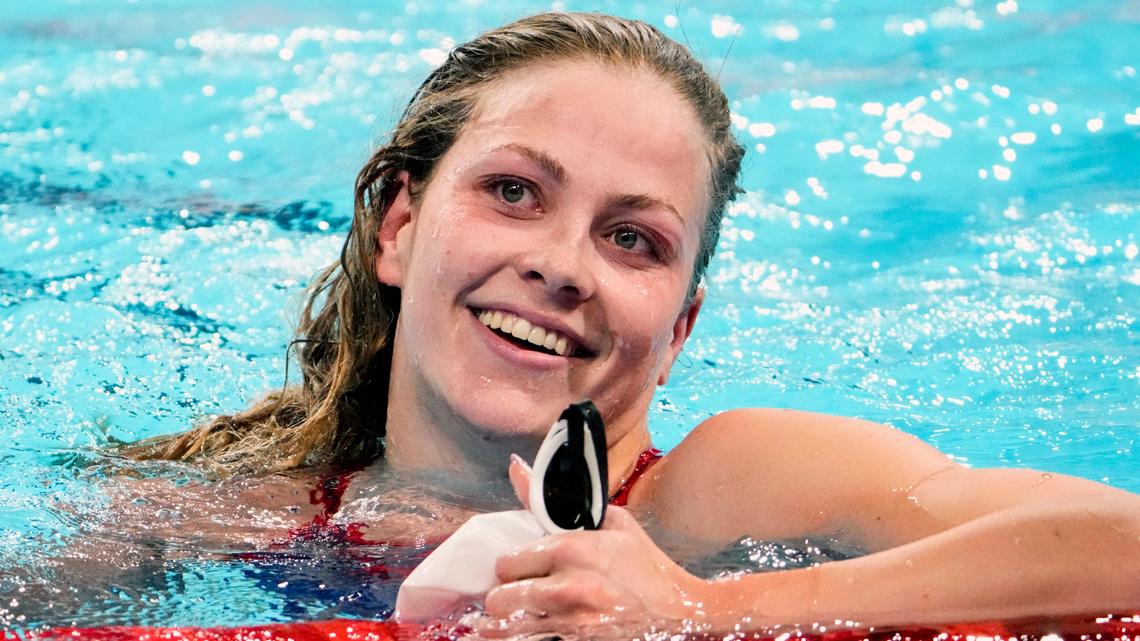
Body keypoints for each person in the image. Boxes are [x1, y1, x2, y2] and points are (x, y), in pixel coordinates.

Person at [125, 11, 1140, 631]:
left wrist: (702, 610)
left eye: (634, 240)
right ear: (399, 223)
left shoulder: (722, 493)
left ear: (681, 326)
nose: (562, 266)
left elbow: (1123, 541)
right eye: (515, 191)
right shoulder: (215, 514)